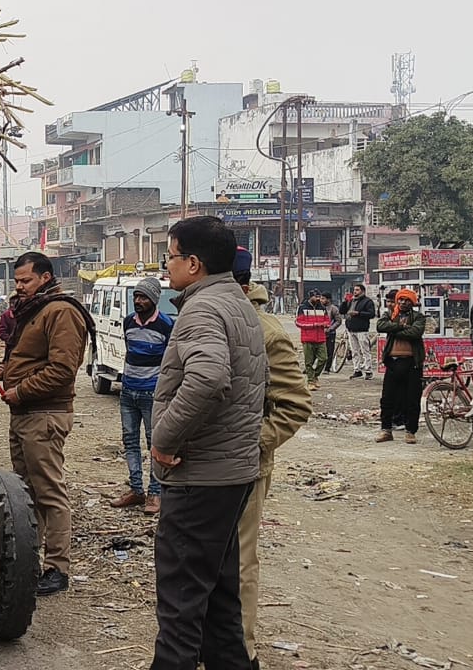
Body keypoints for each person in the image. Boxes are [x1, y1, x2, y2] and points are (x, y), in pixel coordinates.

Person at [148, 216, 267, 670]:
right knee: (219, 602)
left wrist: (163, 438)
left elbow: (209, 376)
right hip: (231, 475)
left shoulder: (202, 309)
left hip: (200, 476)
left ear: (193, 263)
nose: (167, 265)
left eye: (171, 256)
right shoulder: (237, 304)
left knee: (180, 604)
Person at [0, 252, 93, 597]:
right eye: (16, 281)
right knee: (27, 490)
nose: (19, 287)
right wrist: (3, 371)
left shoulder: (61, 312)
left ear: (45, 278)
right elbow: (28, 357)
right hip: (24, 414)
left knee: (49, 493)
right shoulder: (31, 311)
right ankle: (29, 562)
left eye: (26, 280)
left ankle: (58, 568)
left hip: (44, 415)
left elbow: (63, 370)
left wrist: (21, 390)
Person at [233, 248, 313, 667]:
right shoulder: (207, 321)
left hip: (245, 468)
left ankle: (240, 652)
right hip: (207, 469)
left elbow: (294, 405)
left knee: (240, 562)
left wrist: (249, 443)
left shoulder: (266, 332)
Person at [109, 276, 173, 515]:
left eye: (143, 297)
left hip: (152, 392)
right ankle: (136, 490)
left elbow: (170, 361)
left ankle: (154, 494)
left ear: (154, 300)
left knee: (154, 443)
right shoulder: (128, 322)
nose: (138, 301)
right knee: (130, 441)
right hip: (128, 391)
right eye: (136, 296)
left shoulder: (166, 325)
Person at [376, 287, 427, 444]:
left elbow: (415, 333)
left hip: (412, 363)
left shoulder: (419, 317)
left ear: (412, 302)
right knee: (387, 399)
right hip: (393, 362)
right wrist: (401, 327)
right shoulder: (390, 314)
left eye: (407, 300)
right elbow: (380, 326)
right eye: (401, 299)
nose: (403, 302)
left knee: (412, 399)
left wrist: (394, 330)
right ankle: (386, 430)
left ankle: (410, 431)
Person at [295, 291, 330, 389]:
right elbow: (298, 322)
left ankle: (315, 376)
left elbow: (327, 320)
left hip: (321, 338)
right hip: (307, 338)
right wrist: (313, 325)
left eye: (319, 296)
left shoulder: (322, 308)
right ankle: (310, 381)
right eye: (316, 297)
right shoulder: (303, 307)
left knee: (324, 358)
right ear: (310, 297)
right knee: (309, 361)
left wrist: (325, 325)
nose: (318, 299)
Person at [344, 284, 377, 379]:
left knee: (365, 350)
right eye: (354, 290)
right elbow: (343, 311)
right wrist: (345, 301)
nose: (355, 292)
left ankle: (368, 370)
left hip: (362, 329)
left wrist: (358, 313)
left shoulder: (367, 301)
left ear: (362, 291)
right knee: (354, 351)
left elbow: (371, 314)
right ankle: (357, 369)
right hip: (351, 328)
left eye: (357, 290)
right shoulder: (351, 301)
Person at [322, 292, 342, 373]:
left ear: (328, 299)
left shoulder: (334, 309)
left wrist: (330, 328)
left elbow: (338, 321)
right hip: (319, 333)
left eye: (323, 298)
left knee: (329, 351)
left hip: (330, 333)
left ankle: (327, 368)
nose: (321, 300)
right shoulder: (319, 308)